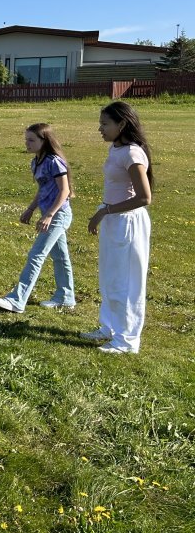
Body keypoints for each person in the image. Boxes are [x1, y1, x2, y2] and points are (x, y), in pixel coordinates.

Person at [84, 102, 153, 354]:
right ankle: (110, 327)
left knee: (126, 281)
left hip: (128, 223)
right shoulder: (117, 148)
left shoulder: (132, 154)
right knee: (110, 277)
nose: (99, 128)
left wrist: (105, 211)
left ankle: (127, 341)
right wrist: (106, 212)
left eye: (105, 124)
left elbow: (144, 197)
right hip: (115, 219)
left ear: (121, 124)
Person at [0, 123, 76, 314]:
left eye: (31, 140)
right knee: (60, 257)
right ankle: (66, 296)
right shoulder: (36, 162)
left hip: (58, 215)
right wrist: (30, 209)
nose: (27, 143)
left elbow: (65, 191)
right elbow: (43, 189)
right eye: (26, 139)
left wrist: (49, 215)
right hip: (48, 213)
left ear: (44, 141)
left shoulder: (54, 161)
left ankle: (17, 300)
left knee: (36, 255)